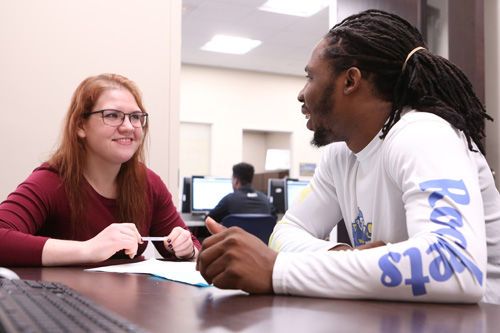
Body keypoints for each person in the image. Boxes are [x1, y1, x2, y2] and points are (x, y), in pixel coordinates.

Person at [196, 9, 500, 304]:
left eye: (310, 78)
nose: (301, 95)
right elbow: (286, 232)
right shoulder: (342, 154)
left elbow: (453, 264)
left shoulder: (423, 133)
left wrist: (276, 270)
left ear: (350, 81)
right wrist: (340, 256)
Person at [0, 73, 200, 266]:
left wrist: (187, 248)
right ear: (80, 126)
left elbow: (194, 248)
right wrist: (88, 250)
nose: (129, 127)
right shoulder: (52, 181)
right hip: (67, 299)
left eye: (136, 117)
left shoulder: (148, 182)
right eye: (112, 115)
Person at [207, 162, 276, 222]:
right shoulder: (266, 199)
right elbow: (274, 220)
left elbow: (208, 219)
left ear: (236, 181)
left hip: (235, 237)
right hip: (260, 237)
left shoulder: (229, 200)